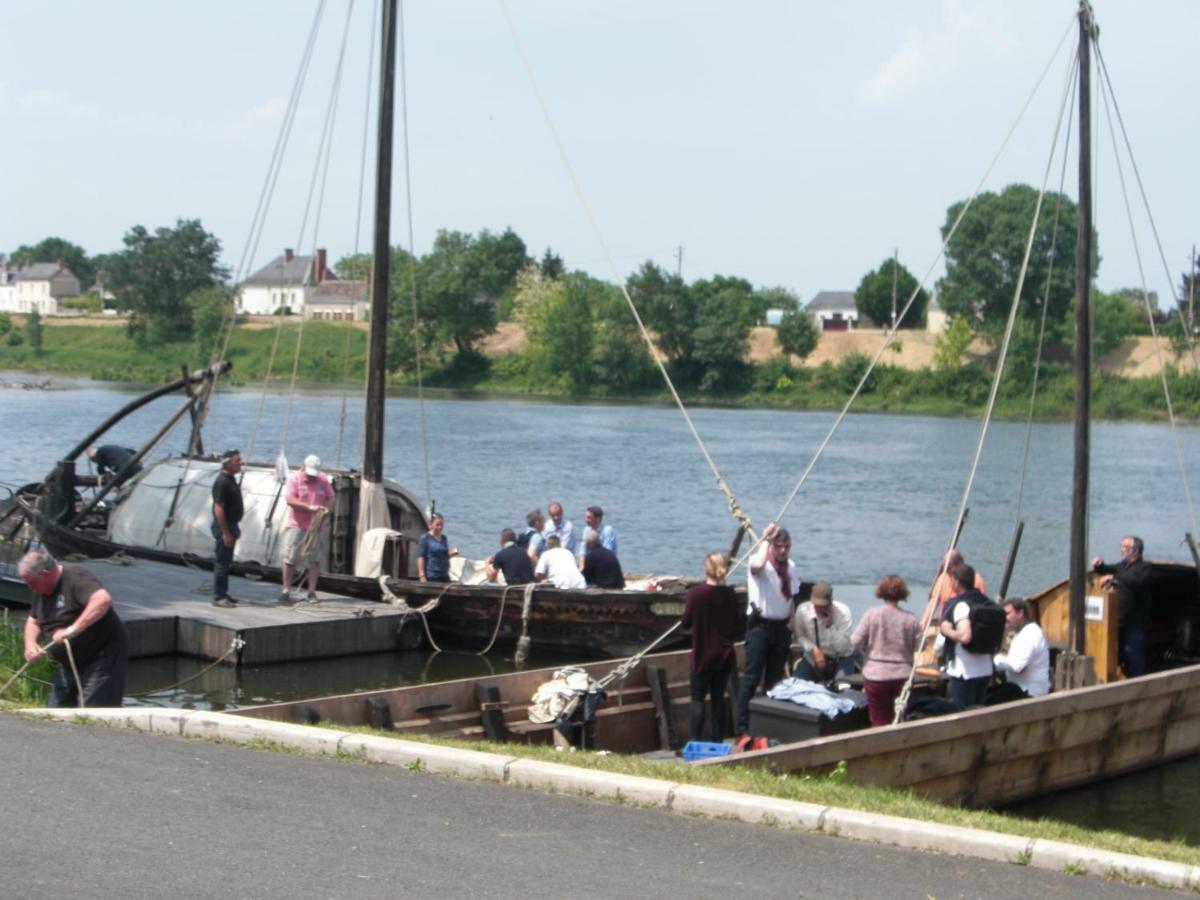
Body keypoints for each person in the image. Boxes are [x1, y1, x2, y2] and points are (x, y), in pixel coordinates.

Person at [19, 550, 129, 707]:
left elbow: (102, 600)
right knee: (56, 711)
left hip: (101, 655)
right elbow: (33, 619)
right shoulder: (41, 589)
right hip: (69, 663)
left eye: (31, 583)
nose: (30, 587)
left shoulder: (76, 577)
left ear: (45, 573)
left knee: (93, 712)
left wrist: (73, 629)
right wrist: (30, 644)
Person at [735, 522, 797, 735]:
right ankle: (742, 728)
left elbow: (791, 597)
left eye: (786, 546)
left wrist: (792, 621)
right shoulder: (760, 562)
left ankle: (769, 726)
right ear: (772, 546)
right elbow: (756, 566)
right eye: (779, 546)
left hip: (781, 628)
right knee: (751, 678)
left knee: (774, 680)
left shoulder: (791, 567)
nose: (782, 550)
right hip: (760, 627)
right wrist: (765, 539)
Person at [681, 552, 739, 742]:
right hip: (724, 654)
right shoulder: (731, 594)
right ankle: (717, 741)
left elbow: (686, 623)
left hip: (702, 654)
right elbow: (735, 624)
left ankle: (694, 741)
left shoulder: (695, 594)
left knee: (697, 698)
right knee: (718, 699)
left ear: (706, 569)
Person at [851, 575, 922, 727]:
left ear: (881, 592)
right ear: (902, 593)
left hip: (876, 676)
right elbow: (919, 645)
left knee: (878, 721)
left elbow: (855, 641)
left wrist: (866, 650)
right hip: (902, 676)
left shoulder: (872, 614)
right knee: (902, 719)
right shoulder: (911, 619)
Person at [1092, 535, 1153, 677]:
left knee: (1131, 653)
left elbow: (1136, 581)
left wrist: (1114, 578)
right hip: (1119, 621)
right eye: (1121, 546)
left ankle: (1136, 681)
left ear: (1136, 550)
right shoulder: (1121, 566)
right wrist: (1099, 565)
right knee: (1117, 652)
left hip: (1135, 622)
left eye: (1125, 547)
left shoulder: (1145, 567)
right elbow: (1107, 569)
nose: (1122, 550)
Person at [937, 563, 995, 709]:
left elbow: (964, 637)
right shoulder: (987, 602)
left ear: (956, 582)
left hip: (964, 671)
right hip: (985, 668)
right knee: (979, 712)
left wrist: (946, 630)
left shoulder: (961, 605)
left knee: (962, 714)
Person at [279, 454, 334, 605]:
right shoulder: (294, 479)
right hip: (297, 524)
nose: (312, 477)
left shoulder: (322, 479)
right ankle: (286, 589)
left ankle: (311, 591)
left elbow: (331, 497)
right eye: (309, 474)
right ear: (303, 468)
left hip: (316, 526)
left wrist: (327, 510)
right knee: (291, 558)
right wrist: (309, 506)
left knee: (314, 559)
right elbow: (290, 499)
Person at [987, 597, 1051, 704]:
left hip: (1029, 693)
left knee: (984, 702)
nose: (1005, 618)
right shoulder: (1021, 633)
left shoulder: (1030, 633)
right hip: (1020, 688)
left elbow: (1017, 667)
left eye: (1007, 614)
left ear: (1020, 613)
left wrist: (996, 661)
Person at [792, 582, 856, 682]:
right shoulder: (803, 610)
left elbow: (842, 647)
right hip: (812, 658)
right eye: (817, 605)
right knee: (795, 685)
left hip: (841, 658)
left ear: (831, 602)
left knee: (842, 690)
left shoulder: (843, 612)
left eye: (824, 605)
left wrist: (829, 625)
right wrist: (814, 650)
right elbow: (800, 636)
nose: (820, 608)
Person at [211, 448, 244, 608]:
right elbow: (218, 507)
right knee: (222, 562)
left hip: (231, 524)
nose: (240, 463)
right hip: (224, 526)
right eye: (237, 461)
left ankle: (224, 592)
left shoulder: (230, 479)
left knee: (226, 561)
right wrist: (225, 532)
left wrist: (235, 526)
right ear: (228, 463)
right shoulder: (222, 482)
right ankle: (219, 596)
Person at [931, 549, 987, 618]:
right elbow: (933, 603)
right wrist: (923, 623)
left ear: (959, 564)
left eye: (948, 567)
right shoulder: (943, 578)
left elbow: (980, 608)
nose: (946, 570)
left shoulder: (976, 580)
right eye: (944, 566)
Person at [417, 513, 457, 583]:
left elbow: (443, 555)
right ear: (431, 524)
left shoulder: (444, 538)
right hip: (432, 575)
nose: (440, 527)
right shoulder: (425, 538)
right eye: (437, 525)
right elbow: (421, 557)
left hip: (444, 574)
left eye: (441, 524)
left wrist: (452, 553)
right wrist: (422, 575)